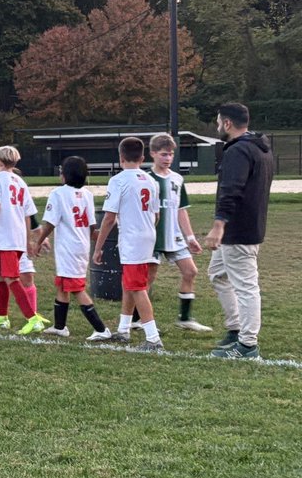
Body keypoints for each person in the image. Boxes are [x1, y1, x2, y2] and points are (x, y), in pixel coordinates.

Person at [204, 103, 274, 359]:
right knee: (217, 273)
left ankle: (247, 344)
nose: (217, 127)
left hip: (238, 230)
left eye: (218, 122)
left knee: (246, 286)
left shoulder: (238, 150)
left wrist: (218, 225)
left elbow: (231, 190)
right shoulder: (259, 147)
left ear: (227, 123)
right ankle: (235, 329)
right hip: (246, 226)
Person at [92, 137, 164, 352]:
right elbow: (156, 215)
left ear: (121, 157)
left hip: (132, 239)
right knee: (129, 283)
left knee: (137, 287)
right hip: (147, 235)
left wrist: (98, 247)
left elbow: (109, 218)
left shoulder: (119, 180)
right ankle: (123, 329)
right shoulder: (151, 180)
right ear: (142, 157)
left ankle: (153, 338)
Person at [31, 156, 111, 340]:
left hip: (68, 247)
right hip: (81, 245)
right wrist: (98, 243)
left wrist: (38, 242)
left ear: (64, 175)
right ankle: (60, 327)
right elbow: (92, 226)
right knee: (63, 285)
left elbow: (50, 223)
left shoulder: (58, 194)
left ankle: (101, 329)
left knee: (76, 288)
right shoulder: (87, 194)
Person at [0, 146, 46, 335]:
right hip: (17, 237)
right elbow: (27, 214)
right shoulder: (20, 181)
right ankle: (2, 317)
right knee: (1, 276)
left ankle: (32, 318)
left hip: (5, 237)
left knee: (11, 279)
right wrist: (27, 240)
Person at [146, 134, 210, 332]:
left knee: (190, 271)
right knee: (148, 277)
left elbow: (181, 210)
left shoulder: (177, 179)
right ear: (153, 154)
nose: (168, 158)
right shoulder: (146, 179)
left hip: (174, 236)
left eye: (171, 154)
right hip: (153, 238)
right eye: (164, 154)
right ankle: (138, 319)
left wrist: (190, 237)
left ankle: (185, 318)